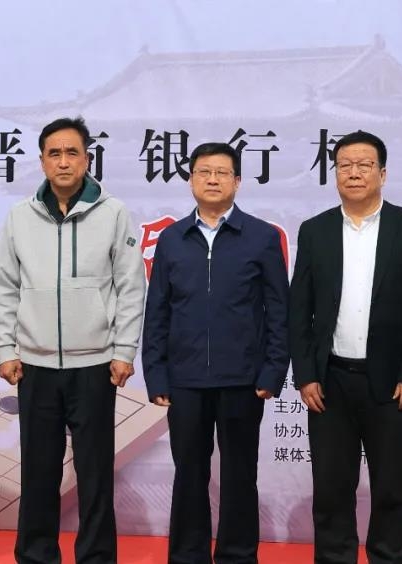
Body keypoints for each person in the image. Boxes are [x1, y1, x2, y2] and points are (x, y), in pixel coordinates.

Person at [0, 116, 145, 563]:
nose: (63, 161)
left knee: (95, 473)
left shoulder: (113, 213)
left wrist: (123, 351)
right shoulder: (20, 217)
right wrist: (6, 349)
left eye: (72, 152)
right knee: (38, 472)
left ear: (87, 159)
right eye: (54, 153)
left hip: (95, 365)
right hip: (35, 365)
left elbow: (130, 286)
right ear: (42, 160)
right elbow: (4, 287)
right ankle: (36, 555)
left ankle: (96, 556)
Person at [289, 130, 402, 563]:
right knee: (331, 489)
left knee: (391, 489)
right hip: (330, 383)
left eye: (364, 165)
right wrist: (306, 375)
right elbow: (299, 310)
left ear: (382, 173)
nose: (354, 173)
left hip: (392, 385)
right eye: (345, 165)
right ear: (335, 173)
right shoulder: (315, 230)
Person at [142, 141, 288, 563]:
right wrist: (156, 373)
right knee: (189, 473)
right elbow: (158, 310)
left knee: (240, 475)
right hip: (184, 379)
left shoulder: (261, 237)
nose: (212, 179)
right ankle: (188, 555)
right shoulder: (172, 239)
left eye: (222, 172)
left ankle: (237, 555)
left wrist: (272, 371)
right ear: (191, 180)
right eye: (203, 172)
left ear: (237, 181)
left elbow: (279, 310)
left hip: (243, 379)